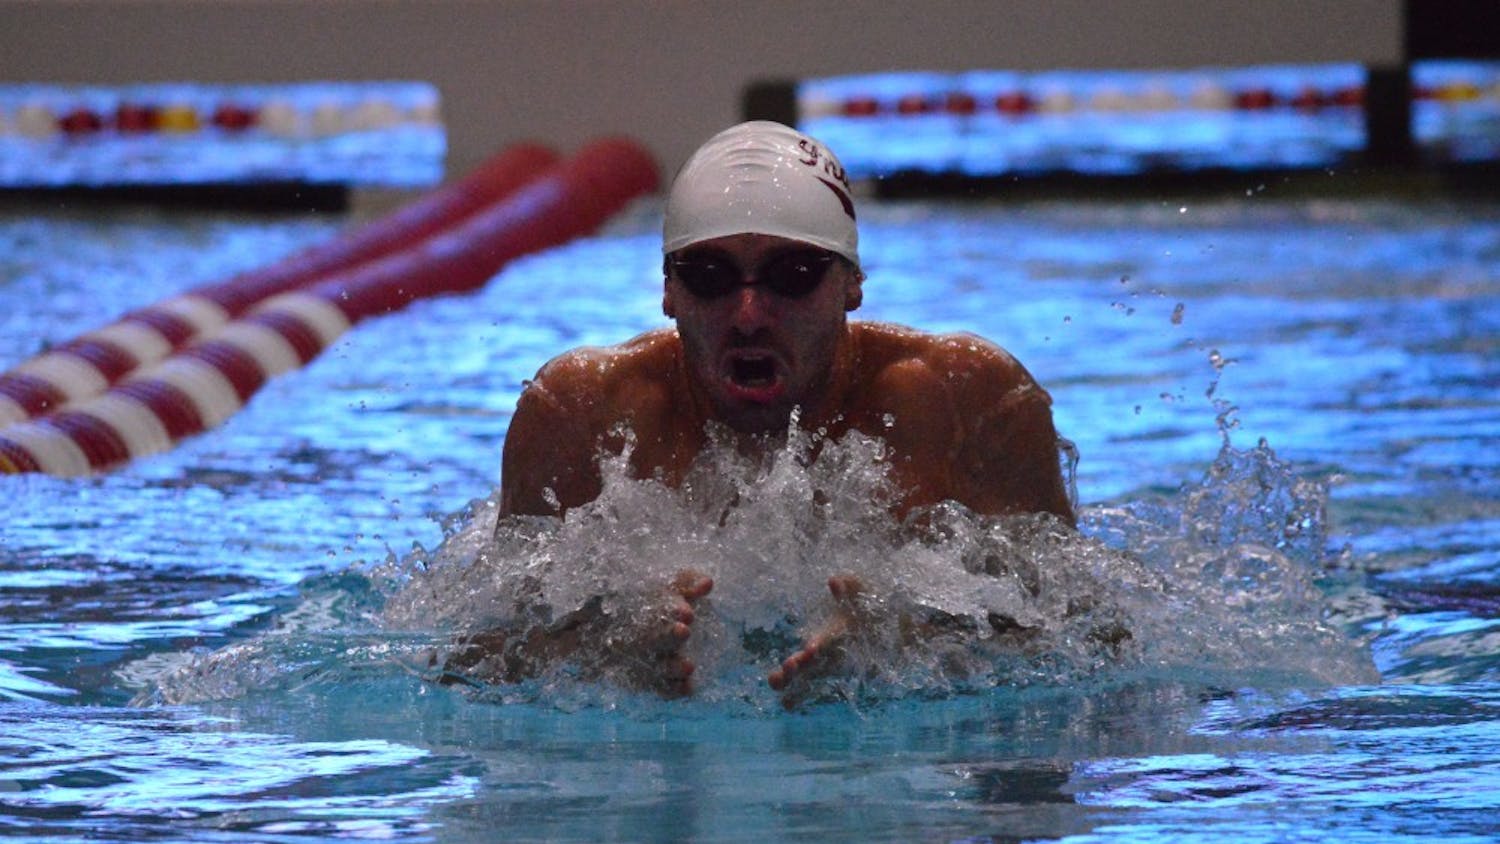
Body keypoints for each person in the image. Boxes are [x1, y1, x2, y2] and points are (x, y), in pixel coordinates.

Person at [447, 121, 1075, 702]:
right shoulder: (582, 414)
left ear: (852, 283)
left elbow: (1096, 637)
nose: (749, 315)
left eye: (793, 273)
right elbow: (470, 665)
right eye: (711, 276)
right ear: (669, 291)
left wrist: (913, 639)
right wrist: (601, 649)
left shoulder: (969, 402)